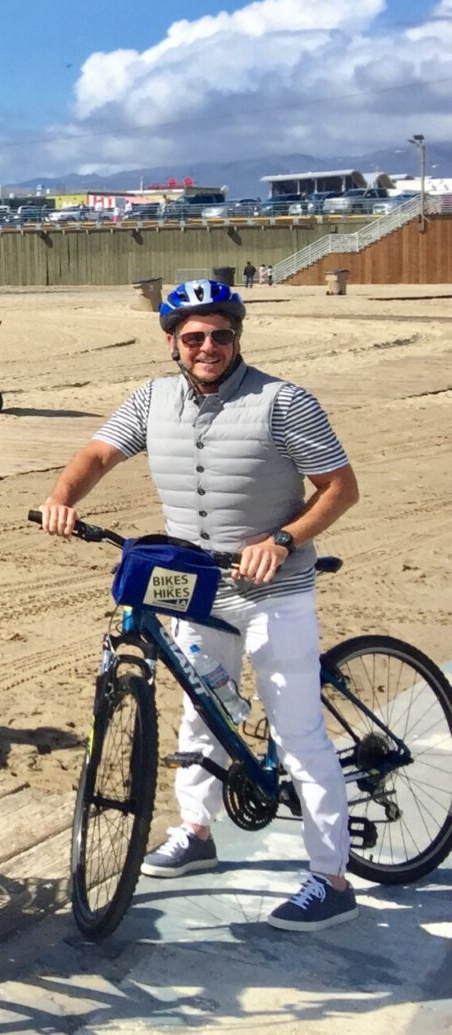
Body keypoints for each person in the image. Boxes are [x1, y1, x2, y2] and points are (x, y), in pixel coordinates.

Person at [37, 279, 361, 931]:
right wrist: (63, 495)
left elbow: (341, 487)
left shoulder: (283, 401)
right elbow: (99, 452)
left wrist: (283, 537)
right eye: (194, 337)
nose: (208, 346)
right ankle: (196, 831)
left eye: (220, 334)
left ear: (236, 336)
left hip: (276, 587)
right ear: (173, 343)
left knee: (298, 730)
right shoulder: (152, 399)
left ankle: (331, 876)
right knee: (198, 709)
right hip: (197, 583)